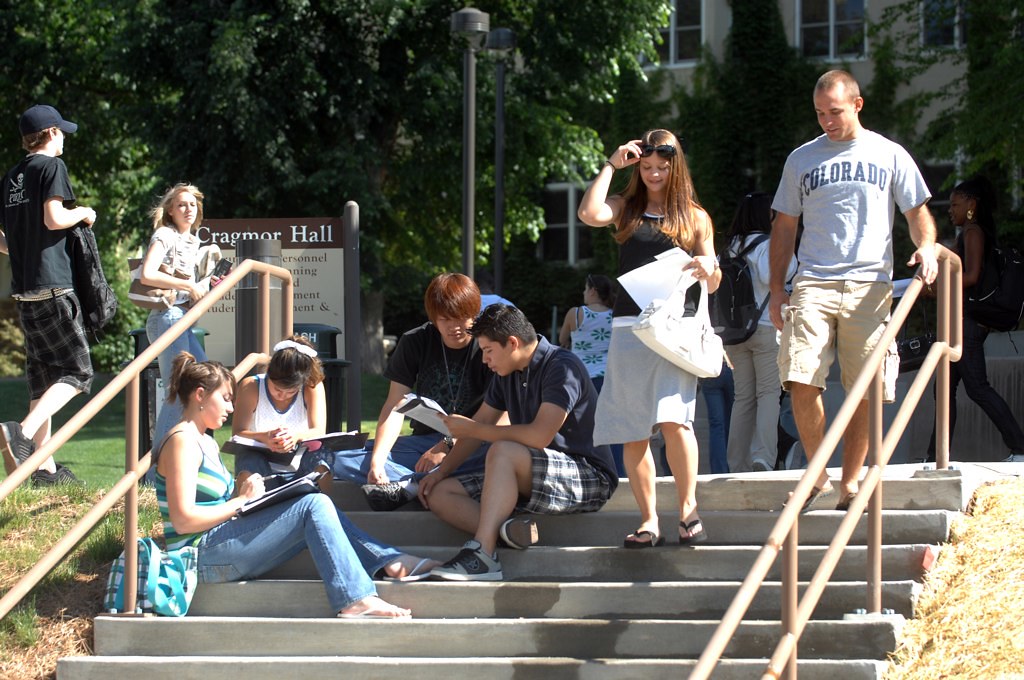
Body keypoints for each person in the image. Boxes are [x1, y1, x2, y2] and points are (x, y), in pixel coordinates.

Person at [157, 352, 439, 617]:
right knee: (313, 505)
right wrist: (240, 501)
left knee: (314, 503)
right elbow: (183, 521)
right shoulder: (182, 441)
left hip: (217, 542)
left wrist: (252, 502)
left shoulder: (203, 440)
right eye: (226, 398)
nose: (231, 408)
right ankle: (362, 591)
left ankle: (381, 568)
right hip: (198, 555)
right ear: (200, 395)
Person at [769, 70, 939, 512]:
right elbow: (784, 225)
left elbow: (918, 211)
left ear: (857, 105)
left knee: (865, 387)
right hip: (813, 282)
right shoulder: (801, 159)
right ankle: (817, 475)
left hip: (869, 285)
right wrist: (775, 288)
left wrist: (926, 247)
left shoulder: (888, 153)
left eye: (836, 112)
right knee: (801, 377)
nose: (827, 121)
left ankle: (849, 483)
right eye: (820, 113)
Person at [577, 128, 719, 548]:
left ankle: (689, 511)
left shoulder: (695, 216)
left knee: (676, 421)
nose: (654, 174)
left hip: (675, 329)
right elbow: (589, 213)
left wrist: (707, 269)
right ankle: (648, 520)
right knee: (634, 428)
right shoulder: (626, 207)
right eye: (647, 167)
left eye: (662, 168)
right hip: (629, 327)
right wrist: (610, 164)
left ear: (676, 169)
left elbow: (713, 283)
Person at [419, 304, 618, 580]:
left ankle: (483, 554)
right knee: (440, 493)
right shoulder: (508, 373)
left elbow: (539, 436)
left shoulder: (562, 366)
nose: (485, 360)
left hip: (588, 477)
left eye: (488, 351)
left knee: (503, 450)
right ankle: (508, 532)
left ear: (512, 343)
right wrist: (440, 472)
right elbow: (481, 426)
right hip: (532, 472)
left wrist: (474, 429)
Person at [0, 104, 97, 486]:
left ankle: (44, 469)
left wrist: (25, 247)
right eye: (63, 134)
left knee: (43, 382)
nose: (64, 141)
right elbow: (55, 218)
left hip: (24, 291)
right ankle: (20, 432)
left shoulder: (11, 177)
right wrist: (84, 212)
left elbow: (3, 241)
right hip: (54, 286)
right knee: (77, 371)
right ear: (52, 133)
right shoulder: (51, 168)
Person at [337, 273, 490, 509]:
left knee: (488, 457)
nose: (455, 327)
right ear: (434, 317)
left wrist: (447, 446)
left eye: (463, 318)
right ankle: (419, 483)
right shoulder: (415, 341)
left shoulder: (488, 344)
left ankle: (413, 485)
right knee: (342, 459)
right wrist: (377, 462)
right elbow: (394, 406)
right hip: (423, 444)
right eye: (445, 319)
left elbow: (496, 417)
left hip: (474, 442)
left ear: (475, 314)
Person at [927, 177, 1024, 463]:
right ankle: (934, 457)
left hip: (966, 323)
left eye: (955, 204)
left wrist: (936, 287)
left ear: (971, 204)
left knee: (977, 387)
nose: (950, 209)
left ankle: (1019, 447)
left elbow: (972, 276)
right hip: (962, 321)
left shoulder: (972, 232)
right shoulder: (971, 232)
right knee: (943, 389)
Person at [724, 192, 797, 473]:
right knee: (768, 394)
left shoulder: (730, 247)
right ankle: (763, 457)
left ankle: (736, 462)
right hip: (766, 328)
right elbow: (779, 275)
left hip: (735, 333)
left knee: (742, 397)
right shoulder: (768, 244)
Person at [140, 183, 213, 455]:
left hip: (182, 319)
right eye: (182, 204)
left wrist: (204, 287)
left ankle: (186, 453)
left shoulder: (192, 241)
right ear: (170, 210)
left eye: (193, 205)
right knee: (178, 392)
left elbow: (188, 291)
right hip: (166, 318)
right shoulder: (165, 235)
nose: (188, 209)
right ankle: (157, 469)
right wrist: (189, 287)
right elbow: (147, 273)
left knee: (203, 380)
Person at [232, 336, 331, 480]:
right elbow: (238, 433)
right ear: (269, 375)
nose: (282, 395)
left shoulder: (312, 387)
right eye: (276, 388)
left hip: (300, 458)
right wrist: (264, 437)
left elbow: (318, 430)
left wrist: (295, 436)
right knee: (249, 459)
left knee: (321, 457)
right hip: (258, 458)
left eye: (291, 391)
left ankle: (322, 497)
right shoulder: (251, 386)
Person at [558, 273, 624, 476]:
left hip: (581, 380)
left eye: (586, 289)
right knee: (613, 429)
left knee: (585, 429)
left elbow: (562, 340)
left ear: (593, 291)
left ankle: (589, 473)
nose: (584, 293)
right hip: (610, 378)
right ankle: (619, 473)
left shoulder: (576, 314)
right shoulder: (615, 314)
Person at [699, 362, 734, 474]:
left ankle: (719, 470)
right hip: (732, 364)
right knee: (734, 421)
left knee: (716, 425)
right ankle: (734, 466)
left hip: (709, 368)